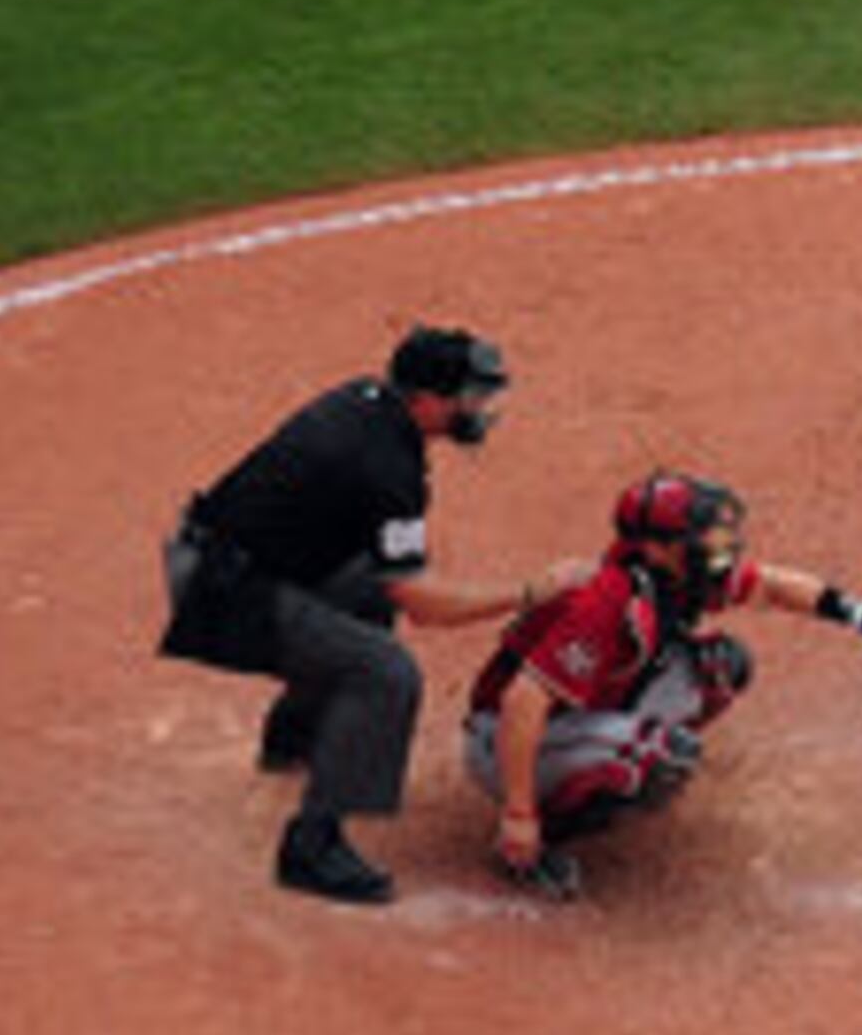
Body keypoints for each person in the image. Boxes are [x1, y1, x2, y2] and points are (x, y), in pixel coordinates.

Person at [156, 323, 580, 905]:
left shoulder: (370, 405)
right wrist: (531, 591)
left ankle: (294, 734)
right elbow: (424, 604)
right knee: (385, 673)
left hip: (224, 557)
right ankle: (313, 846)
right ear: (427, 400)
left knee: (365, 593)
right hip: (221, 594)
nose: (477, 409)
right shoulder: (386, 469)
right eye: (469, 396)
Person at [463, 468, 862, 900]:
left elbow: (774, 586)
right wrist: (519, 814)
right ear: (656, 546)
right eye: (703, 537)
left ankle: (599, 772)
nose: (720, 546)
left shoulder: (675, 577)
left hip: (576, 715)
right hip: (503, 738)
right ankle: (529, 847)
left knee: (721, 666)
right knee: (660, 752)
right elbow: (522, 701)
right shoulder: (604, 602)